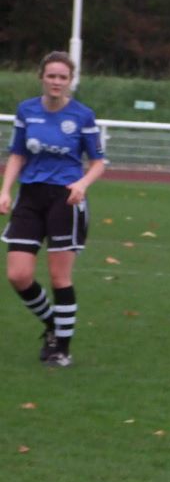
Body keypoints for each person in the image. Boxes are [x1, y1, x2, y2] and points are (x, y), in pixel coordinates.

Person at [1, 51, 106, 368]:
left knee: (60, 278)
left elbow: (98, 162)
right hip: (30, 198)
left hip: (66, 199)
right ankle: (51, 323)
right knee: (18, 275)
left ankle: (61, 348)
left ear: (70, 80)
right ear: (41, 77)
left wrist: (82, 184)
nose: (57, 81)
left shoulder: (82, 115)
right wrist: (5, 190)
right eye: (52, 76)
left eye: (63, 77)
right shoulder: (27, 111)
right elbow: (18, 154)